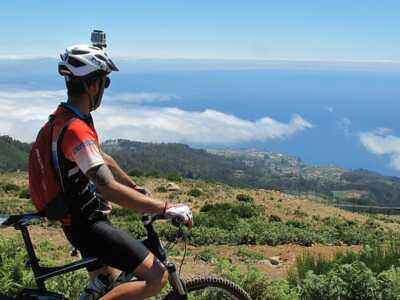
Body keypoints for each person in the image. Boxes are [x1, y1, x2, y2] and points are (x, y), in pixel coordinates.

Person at [31, 41, 193, 300]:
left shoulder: (64, 117)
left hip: (76, 221)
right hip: (89, 226)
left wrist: (133, 187)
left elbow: (100, 157)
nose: (104, 89)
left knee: (108, 282)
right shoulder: (76, 129)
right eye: (105, 83)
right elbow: (106, 186)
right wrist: (164, 207)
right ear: (93, 84)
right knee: (157, 277)